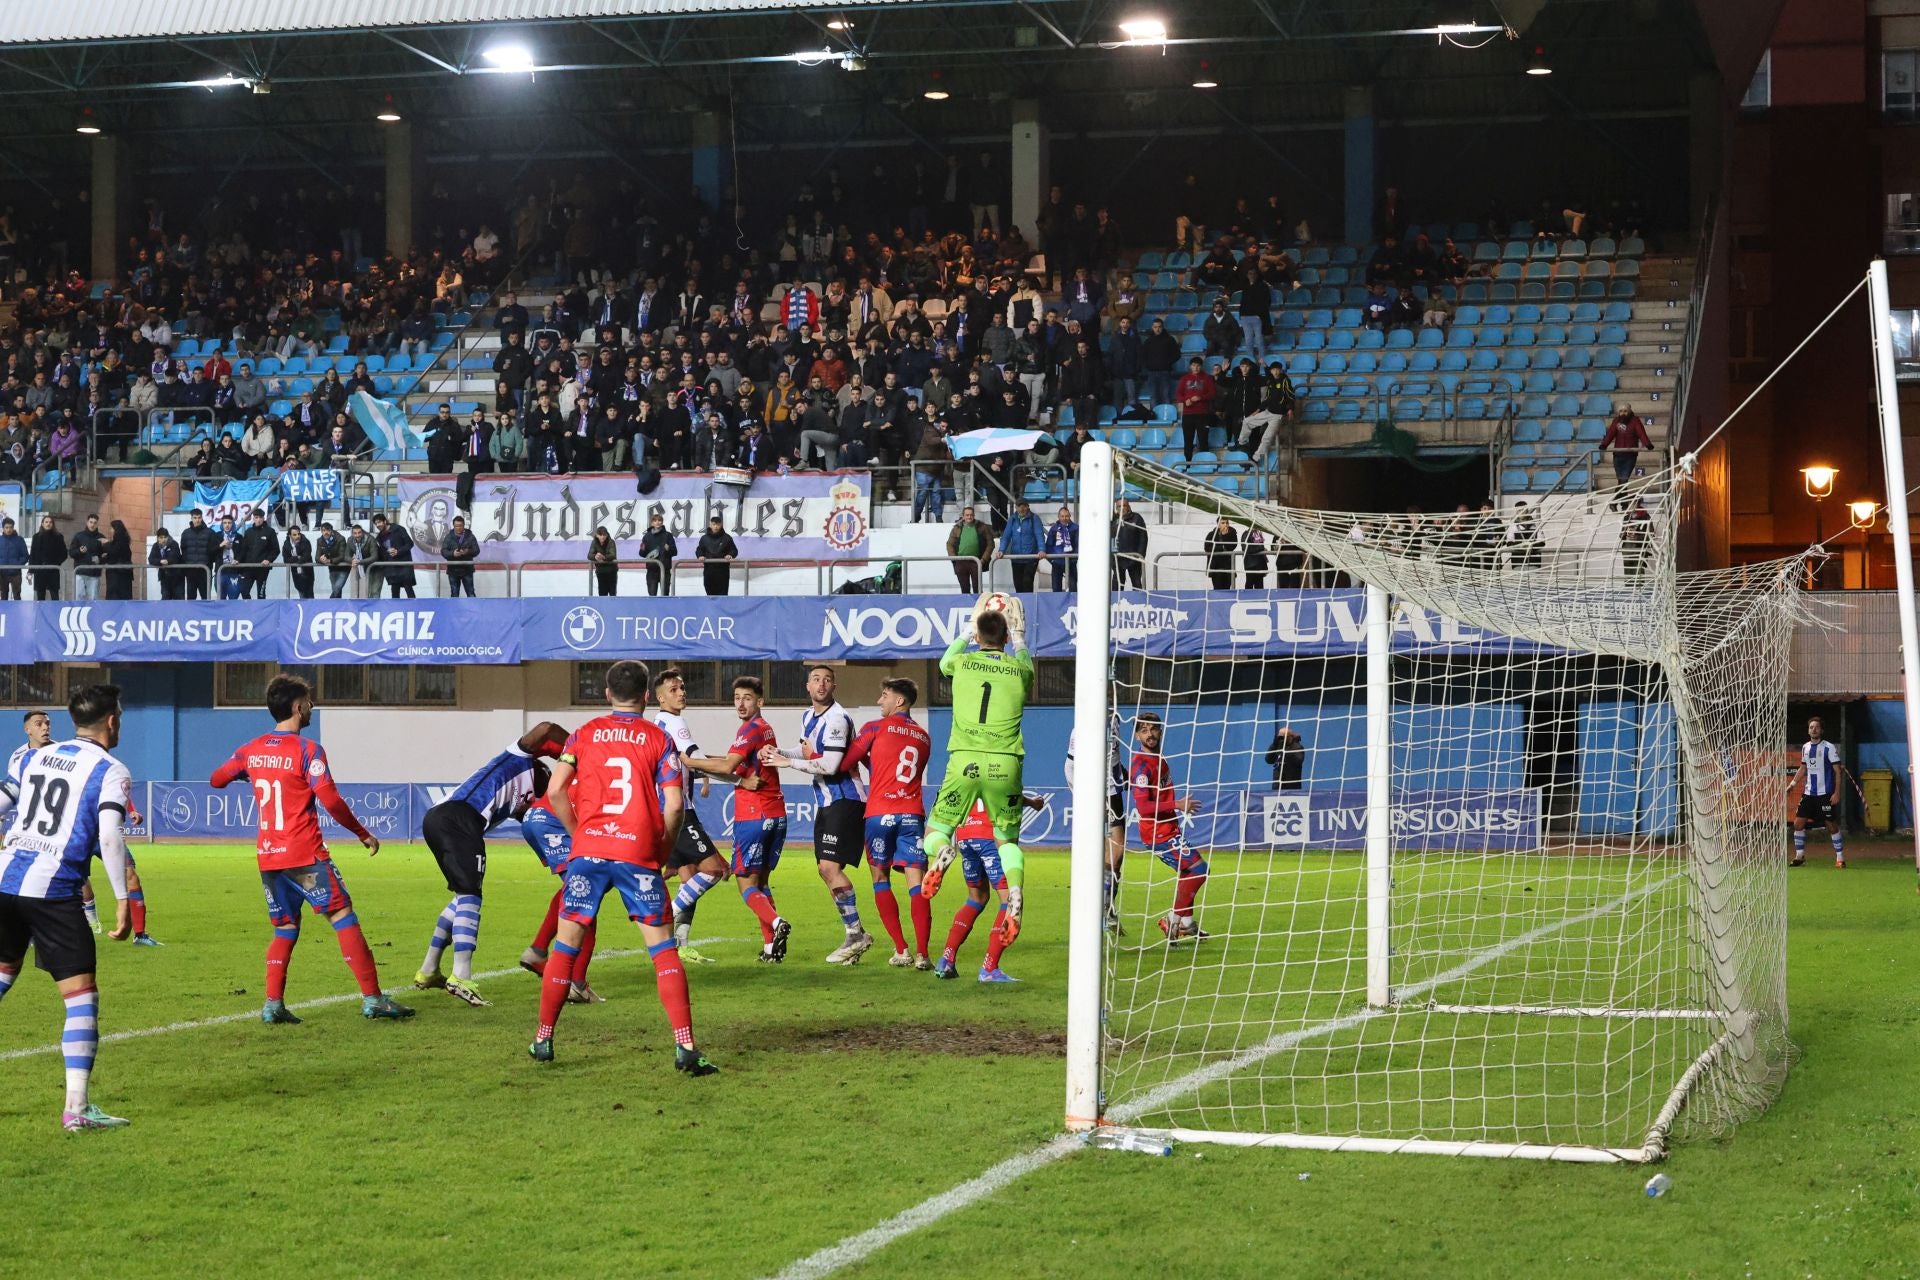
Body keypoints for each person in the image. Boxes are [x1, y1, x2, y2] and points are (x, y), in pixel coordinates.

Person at [531, 660, 715, 1074]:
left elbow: (557, 790)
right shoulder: (658, 738)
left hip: (589, 852)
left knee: (565, 946)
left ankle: (543, 1038)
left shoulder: (583, 734)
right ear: (647, 696)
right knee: (664, 950)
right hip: (637, 854)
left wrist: (580, 835)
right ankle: (685, 1045)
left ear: (607, 694)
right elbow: (673, 804)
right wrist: (664, 846)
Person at [208, 674, 414, 1024]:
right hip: (305, 855)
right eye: (309, 701)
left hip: (269, 858)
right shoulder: (307, 750)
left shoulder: (252, 749)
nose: (312, 706)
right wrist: (362, 833)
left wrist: (249, 773)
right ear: (297, 707)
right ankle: (373, 998)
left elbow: (216, 779)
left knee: (285, 927)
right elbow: (330, 799)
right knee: (342, 915)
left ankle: (273, 1004)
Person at [0, 684, 137, 1131]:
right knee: (81, 998)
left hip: (6, 879)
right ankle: (77, 1110)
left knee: (2, 976)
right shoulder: (110, 769)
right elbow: (111, 836)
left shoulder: (35, 756)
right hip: (54, 889)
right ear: (112, 720)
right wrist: (123, 897)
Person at [413, 723, 568, 1006]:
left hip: (443, 820)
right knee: (471, 896)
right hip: (457, 818)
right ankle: (461, 975)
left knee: (461, 897)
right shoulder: (517, 759)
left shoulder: (521, 801)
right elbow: (545, 728)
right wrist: (575, 751)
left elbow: (533, 819)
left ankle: (429, 969)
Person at [920, 605, 1035, 950]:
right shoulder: (1019, 669)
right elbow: (1026, 663)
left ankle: (942, 852)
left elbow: (944, 662)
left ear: (978, 635)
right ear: (1003, 637)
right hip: (1005, 762)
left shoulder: (963, 664)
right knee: (1006, 842)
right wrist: (1018, 637)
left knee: (936, 831)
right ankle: (1014, 890)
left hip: (965, 760)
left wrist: (968, 632)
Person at [760, 665, 872, 965]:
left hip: (845, 798)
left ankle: (855, 934)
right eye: (815, 680)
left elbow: (831, 765)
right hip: (827, 801)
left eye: (827, 680)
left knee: (829, 867)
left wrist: (787, 763)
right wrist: (777, 752)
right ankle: (855, 934)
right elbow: (804, 751)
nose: (821, 684)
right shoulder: (808, 716)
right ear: (807, 686)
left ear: (833, 685)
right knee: (826, 870)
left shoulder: (836, 719)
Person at [683, 675, 791, 964]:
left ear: (760, 702)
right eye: (737, 698)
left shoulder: (750, 729)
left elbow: (729, 765)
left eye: (747, 698)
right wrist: (705, 764)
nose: (741, 703)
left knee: (745, 883)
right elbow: (734, 764)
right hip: (776, 815)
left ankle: (777, 922)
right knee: (761, 882)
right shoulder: (764, 729)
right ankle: (770, 948)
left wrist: (691, 762)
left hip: (754, 816)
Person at [650, 668, 734, 966]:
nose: (681, 692)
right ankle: (667, 914)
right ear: (660, 697)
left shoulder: (657, 724)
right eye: (673, 689)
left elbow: (681, 761)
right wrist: (733, 772)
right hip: (679, 811)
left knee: (688, 878)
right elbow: (690, 754)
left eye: (682, 687)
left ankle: (679, 947)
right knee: (713, 871)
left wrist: (699, 771)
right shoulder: (675, 721)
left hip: (660, 810)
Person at [934, 794, 1046, 982]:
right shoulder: (1001, 768)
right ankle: (990, 968)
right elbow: (1008, 795)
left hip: (965, 835)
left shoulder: (967, 771)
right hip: (990, 836)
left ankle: (946, 960)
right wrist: (1033, 802)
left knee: (976, 898)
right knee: (1008, 900)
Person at [1132, 711, 1208, 943]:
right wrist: (1178, 804)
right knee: (1198, 869)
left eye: (1153, 729)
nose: (1150, 734)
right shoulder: (1142, 766)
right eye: (1144, 730)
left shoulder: (1159, 759)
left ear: (1160, 731)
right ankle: (1172, 920)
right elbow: (1143, 807)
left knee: (1189, 871)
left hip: (1168, 829)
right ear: (1136, 736)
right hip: (1157, 833)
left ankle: (1186, 923)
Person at [1066, 711, 1130, 931]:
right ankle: (1098, 910)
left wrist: (1124, 775)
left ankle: (1107, 909)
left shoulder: (1115, 721)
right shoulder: (1081, 727)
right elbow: (1070, 766)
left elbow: (1113, 758)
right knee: (1108, 852)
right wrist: (1084, 796)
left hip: (1114, 792)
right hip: (1094, 791)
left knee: (1116, 856)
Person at [1790, 716, 1846, 869]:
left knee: (1831, 826)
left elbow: (1837, 771)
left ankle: (1840, 858)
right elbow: (1803, 768)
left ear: (1821, 730)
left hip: (1825, 794)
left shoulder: (1829, 747)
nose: (1813, 729)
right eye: (1811, 727)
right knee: (1798, 824)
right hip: (1809, 794)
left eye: (1816, 727)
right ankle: (1800, 856)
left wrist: (1836, 793)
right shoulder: (1805, 747)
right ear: (1808, 731)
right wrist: (1792, 784)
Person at [1600, 404, 1651, 497]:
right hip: (1618, 456)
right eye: (1621, 411)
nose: (1623, 413)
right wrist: (1604, 444)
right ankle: (1623, 504)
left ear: (1629, 411)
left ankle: (1614, 502)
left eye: (1625, 411)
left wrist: (1647, 444)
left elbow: (1641, 433)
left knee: (1623, 479)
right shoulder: (1616, 421)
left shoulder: (1635, 421)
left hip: (1630, 456)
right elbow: (1610, 434)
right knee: (1621, 480)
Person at [995, 498, 1044, 594]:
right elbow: (1006, 536)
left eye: (1024, 506)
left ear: (1027, 507)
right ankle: (1021, 607)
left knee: (1027, 583)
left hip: (1031, 558)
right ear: (1016, 508)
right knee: (1018, 585)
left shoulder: (1034, 518)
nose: (1021, 509)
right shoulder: (1012, 519)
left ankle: (1029, 606)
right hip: (1016, 558)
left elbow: (1039, 535)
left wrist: (1042, 549)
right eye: (1019, 506)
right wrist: (1001, 550)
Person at [1174, 358, 1217, 463]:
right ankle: (1188, 464)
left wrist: (1200, 397)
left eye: (1198, 365)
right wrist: (1185, 400)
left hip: (1202, 414)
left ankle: (1205, 463)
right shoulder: (1184, 379)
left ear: (1201, 366)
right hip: (1188, 414)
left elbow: (1212, 393)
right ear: (1190, 366)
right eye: (1194, 365)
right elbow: (1178, 394)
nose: (1196, 368)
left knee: (1203, 441)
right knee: (1188, 441)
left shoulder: (1207, 378)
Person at [947, 505, 993, 595]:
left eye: (971, 515)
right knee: (964, 589)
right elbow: (949, 544)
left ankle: (978, 607)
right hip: (960, 562)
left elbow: (990, 544)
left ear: (974, 515)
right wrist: (954, 559)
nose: (969, 517)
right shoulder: (956, 528)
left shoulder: (982, 527)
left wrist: (983, 560)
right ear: (963, 516)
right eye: (967, 515)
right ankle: (966, 607)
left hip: (976, 561)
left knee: (978, 590)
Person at [372, 514, 416, 598]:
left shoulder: (398, 529)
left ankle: (414, 609)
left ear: (385, 521)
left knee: (409, 590)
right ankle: (396, 609)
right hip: (392, 569)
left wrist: (398, 551)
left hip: (404, 566)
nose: (378, 525)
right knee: (394, 592)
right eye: (376, 523)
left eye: (379, 522)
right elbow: (382, 554)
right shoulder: (379, 537)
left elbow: (410, 543)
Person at [239, 507, 279, 599]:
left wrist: (268, 559)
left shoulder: (270, 532)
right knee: (244, 591)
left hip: (262, 568)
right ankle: (249, 610)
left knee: (261, 594)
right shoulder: (248, 532)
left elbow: (275, 550)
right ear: (253, 518)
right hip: (248, 568)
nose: (258, 520)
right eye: (256, 517)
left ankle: (261, 613)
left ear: (263, 518)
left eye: (260, 517)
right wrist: (238, 560)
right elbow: (243, 550)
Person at [694, 514, 737, 597]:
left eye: (718, 524)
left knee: (723, 595)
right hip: (709, 570)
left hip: (722, 571)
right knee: (709, 593)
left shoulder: (727, 538)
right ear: (710, 525)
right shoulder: (704, 538)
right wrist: (700, 556)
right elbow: (699, 549)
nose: (716, 527)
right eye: (714, 524)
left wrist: (730, 555)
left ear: (721, 525)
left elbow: (734, 550)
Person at [179, 508, 216, 599]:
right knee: (191, 598)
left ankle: (207, 614)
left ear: (202, 518)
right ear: (191, 519)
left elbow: (213, 550)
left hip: (205, 570)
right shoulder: (186, 533)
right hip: (190, 570)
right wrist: (186, 567)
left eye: (199, 518)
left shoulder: (209, 532)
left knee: (206, 597)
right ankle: (191, 614)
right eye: (195, 518)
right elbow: (183, 550)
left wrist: (208, 564)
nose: (197, 520)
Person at [1112, 497, 1148, 589]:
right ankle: (1115, 603)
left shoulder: (1137, 518)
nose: (1122, 508)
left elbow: (1143, 539)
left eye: (1124, 505)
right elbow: (1108, 538)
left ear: (1129, 507)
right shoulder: (1112, 520)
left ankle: (1139, 602)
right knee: (1117, 585)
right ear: (1116, 508)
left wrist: (1140, 556)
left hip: (1134, 558)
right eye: (1119, 506)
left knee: (1137, 584)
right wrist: (1111, 558)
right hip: (1118, 559)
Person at [28, 514, 66, 600]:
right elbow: (32, 554)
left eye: (50, 522)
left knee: (55, 595)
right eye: (46, 522)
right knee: (40, 596)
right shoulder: (36, 537)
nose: (48, 524)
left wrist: (56, 563)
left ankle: (55, 613)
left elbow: (64, 554)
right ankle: (40, 613)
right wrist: (30, 570)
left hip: (53, 570)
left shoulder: (58, 537)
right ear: (42, 524)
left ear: (53, 524)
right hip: (39, 571)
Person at [640, 510, 676, 596]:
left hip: (665, 569)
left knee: (665, 595)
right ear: (652, 523)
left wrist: (669, 549)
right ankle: (652, 609)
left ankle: (666, 609)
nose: (657, 522)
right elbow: (643, 555)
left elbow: (675, 552)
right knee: (652, 595)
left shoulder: (668, 535)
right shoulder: (647, 536)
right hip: (652, 570)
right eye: (655, 521)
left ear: (662, 522)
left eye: (659, 520)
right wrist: (642, 550)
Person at [69, 514, 105, 600]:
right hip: (80, 572)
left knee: (93, 598)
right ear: (87, 522)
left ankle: (92, 614)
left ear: (97, 524)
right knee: (78, 597)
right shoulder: (79, 536)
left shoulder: (101, 538)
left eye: (95, 523)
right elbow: (71, 552)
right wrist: (79, 551)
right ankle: (78, 613)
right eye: (91, 522)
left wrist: (100, 559)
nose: (92, 525)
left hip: (94, 574)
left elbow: (106, 555)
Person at [442, 515, 480, 597]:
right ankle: (454, 610)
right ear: (453, 526)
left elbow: (477, 550)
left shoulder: (470, 536)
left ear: (464, 525)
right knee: (454, 595)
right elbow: (443, 551)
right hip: (453, 570)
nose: (458, 528)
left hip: (467, 570)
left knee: (471, 594)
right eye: (456, 526)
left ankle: (473, 610)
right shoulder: (449, 537)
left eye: (460, 526)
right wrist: (453, 553)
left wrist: (467, 552)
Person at [1044, 505, 1078, 592]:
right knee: (1056, 588)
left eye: (1066, 516)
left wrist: (1074, 559)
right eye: (1062, 516)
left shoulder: (1075, 528)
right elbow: (1049, 545)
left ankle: (1073, 605)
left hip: (1071, 563)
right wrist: (1052, 560)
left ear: (1070, 516)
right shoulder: (1054, 529)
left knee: (1073, 587)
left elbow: (1078, 545)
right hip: (1057, 563)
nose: (1064, 518)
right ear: (1058, 517)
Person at [315, 522, 353, 598]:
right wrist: (321, 559)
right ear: (321, 531)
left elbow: (342, 556)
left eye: (328, 530)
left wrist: (329, 561)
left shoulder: (340, 539)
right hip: (332, 568)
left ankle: (329, 603)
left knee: (337, 588)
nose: (326, 532)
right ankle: (337, 607)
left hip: (344, 567)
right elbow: (316, 557)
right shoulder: (319, 540)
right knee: (337, 591)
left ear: (331, 531)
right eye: (323, 530)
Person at [149, 527, 185, 600]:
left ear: (168, 537)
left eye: (165, 537)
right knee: (165, 599)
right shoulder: (155, 546)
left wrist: (168, 561)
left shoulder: (174, 544)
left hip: (177, 577)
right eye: (161, 537)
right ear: (158, 538)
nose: (163, 539)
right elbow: (151, 559)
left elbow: (175, 557)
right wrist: (160, 561)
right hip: (164, 578)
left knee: (179, 600)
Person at [1204, 516, 1239, 589]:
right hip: (1216, 567)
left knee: (1227, 589)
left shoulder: (1232, 533)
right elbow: (1207, 547)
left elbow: (1232, 546)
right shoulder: (1211, 534)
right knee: (1217, 589)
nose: (1225, 525)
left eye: (1227, 523)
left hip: (1228, 567)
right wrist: (1222, 548)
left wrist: (1225, 535)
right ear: (1218, 524)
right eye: (1223, 523)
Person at [1266, 725, 1305, 790]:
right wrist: (1274, 745)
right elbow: (1268, 760)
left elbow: (1298, 761)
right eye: (1280, 737)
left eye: (1283, 737)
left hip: (1291, 785)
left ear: (1290, 737)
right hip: (1277, 785)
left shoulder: (1297, 747)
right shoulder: (1277, 746)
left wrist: (1285, 751)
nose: (1281, 739)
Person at [280, 524, 315, 599]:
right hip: (296, 572)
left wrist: (293, 558)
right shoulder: (286, 544)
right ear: (290, 536)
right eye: (294, 535)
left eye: (298, 534)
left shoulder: (306, 542)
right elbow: (286, 560)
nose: (297, 536)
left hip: (307, 571)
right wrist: (297, 558)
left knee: (309, 594)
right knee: (301, 592)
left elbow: (306, 556)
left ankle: (311, 610)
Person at [588, 526, 619, 596]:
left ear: (607, 535)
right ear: (596, 535)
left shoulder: (611, 542)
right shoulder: (594, 542)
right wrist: (595, 557)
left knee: (612, 595)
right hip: (601, 572)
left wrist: (603, 557)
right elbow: (589, 555)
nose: (602, 537)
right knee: (602, 595)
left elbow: (613, 555)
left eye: (604, 535)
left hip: (612, 572)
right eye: (600, 535)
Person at [0, 516, 26, 599]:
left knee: (17, 596)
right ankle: (3, 612)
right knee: (3, 596)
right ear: (3, 528)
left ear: (13, 528)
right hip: (1, 573)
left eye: (10, 527)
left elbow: (25, 556)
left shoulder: (19, 540)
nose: (8, 529)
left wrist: (17, 564)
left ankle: (17, 612)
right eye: (6, 527)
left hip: (16, 573)